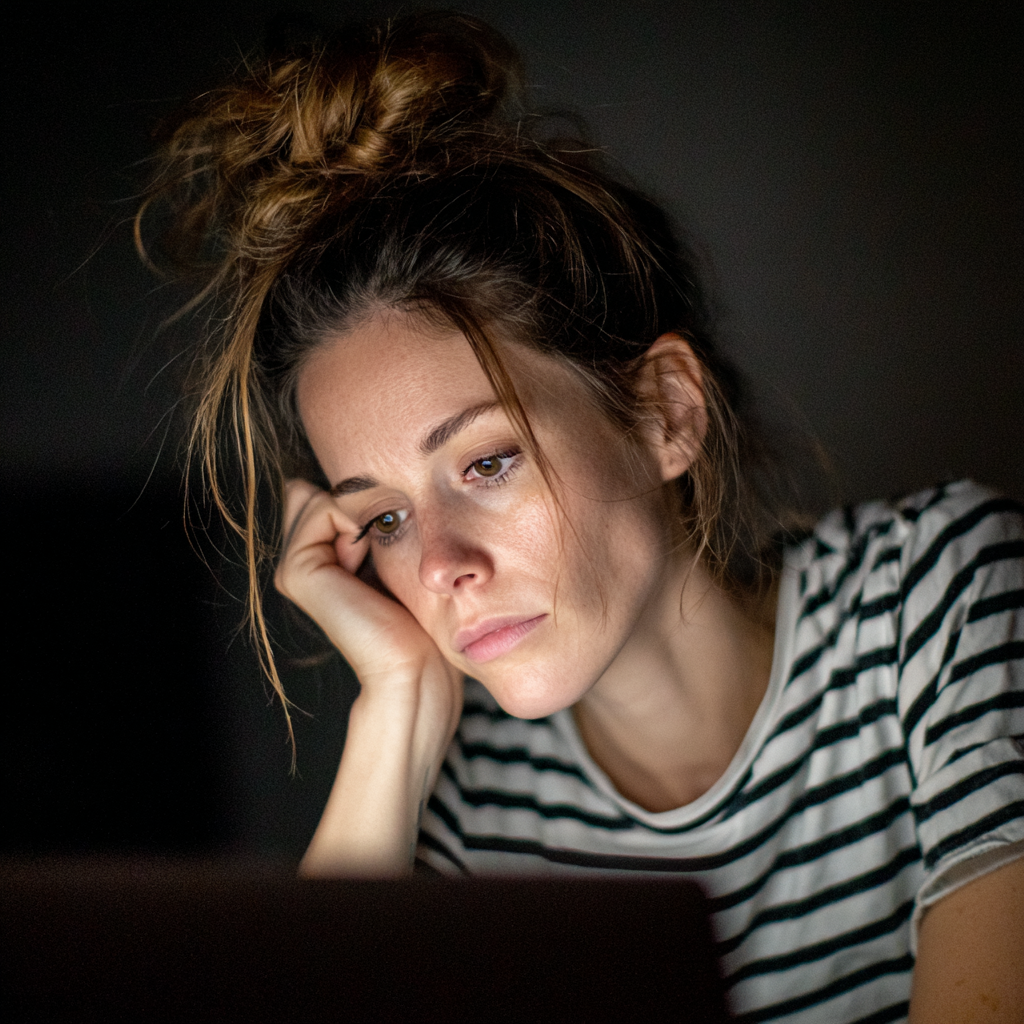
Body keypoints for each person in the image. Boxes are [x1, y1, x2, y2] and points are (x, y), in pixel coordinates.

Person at [138, 11, 1024, 1022]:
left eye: (485, 461)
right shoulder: (468, 802)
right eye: (382, 520)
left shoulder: (940, 601)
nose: (439, 565)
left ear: (663, 412)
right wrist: (397, 708)